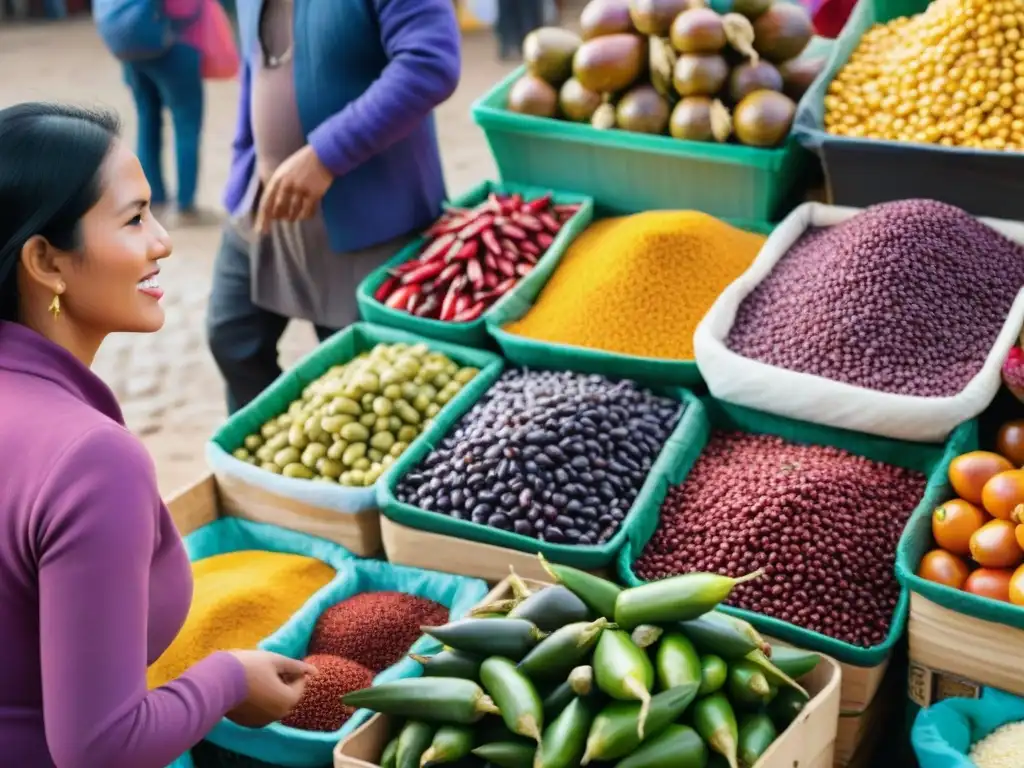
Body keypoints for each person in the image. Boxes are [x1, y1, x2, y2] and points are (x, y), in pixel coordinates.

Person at [0, 102, 314, 768]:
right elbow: (100, 746)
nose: (164, 241)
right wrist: (229, 679)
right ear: (47, 262)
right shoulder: (90, 460)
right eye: (136, 218)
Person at [206, 0, 461, 414]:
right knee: (232, 337)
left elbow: (429, 62)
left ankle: (323, 470)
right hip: (261, 202)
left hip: (369, 216)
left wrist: (327, 155)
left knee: (364, 388)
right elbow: (255, 64)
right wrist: (246, 161)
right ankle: (270, 463)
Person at [116, 0, 207, 222]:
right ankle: (185, 206)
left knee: (147, 119)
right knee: (186, 123)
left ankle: (151, 198)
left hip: (131, 41)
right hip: (174, 40)